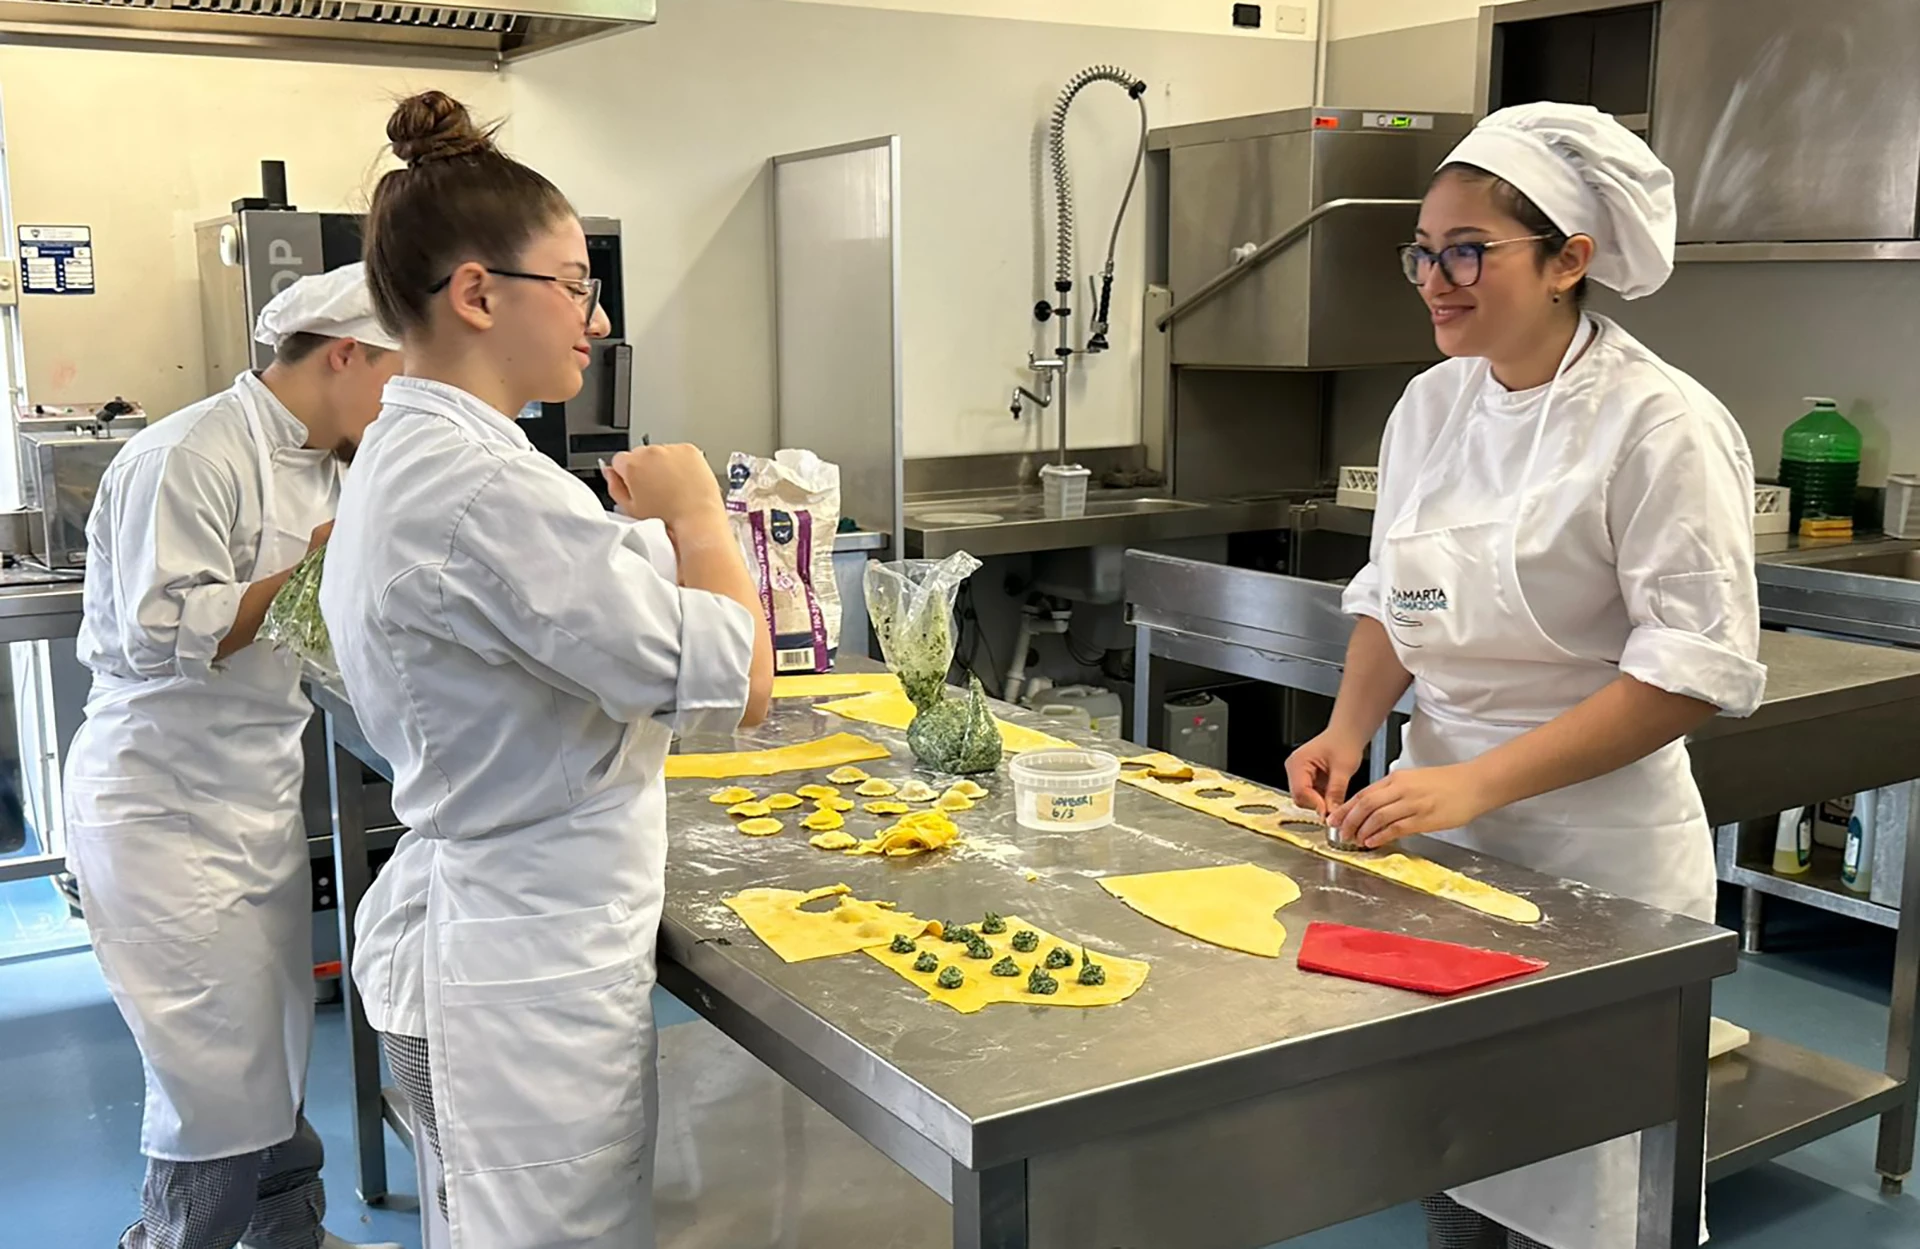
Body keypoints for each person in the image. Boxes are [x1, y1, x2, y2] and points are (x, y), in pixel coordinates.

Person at [1285, 103, 1764, 1249]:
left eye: (1468, 251)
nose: (1434, 280)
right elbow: (1400, 590)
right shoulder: (1432, 403)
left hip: (1604, 858)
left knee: (1592, 1185)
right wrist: (1352, 728)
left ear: (1569, 261)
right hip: (1439, 838)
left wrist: (1480, 782)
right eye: (1423, 252)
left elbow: (1688, 671)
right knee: (1457, 1150)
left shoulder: (1660, 424)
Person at [321, 91, 773, 1249]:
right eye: (574, 283)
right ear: (478, 292)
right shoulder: (480, 489)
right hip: (525, 974)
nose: (597, 314)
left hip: (505, 938)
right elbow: (741, 676)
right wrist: (698, 516)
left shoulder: (424, 455)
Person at [64, 264, 405, 1249]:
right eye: (397, 380)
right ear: (345, 353)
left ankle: (286, 1234)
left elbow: (329, 622)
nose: (397, 411)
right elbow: (172, 630)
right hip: (160, 796)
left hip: (251, 790)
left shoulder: (334, 465)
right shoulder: (189, 452)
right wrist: (322, 560)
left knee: (266, 1054)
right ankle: (179, 1241)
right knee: (209, 1077)